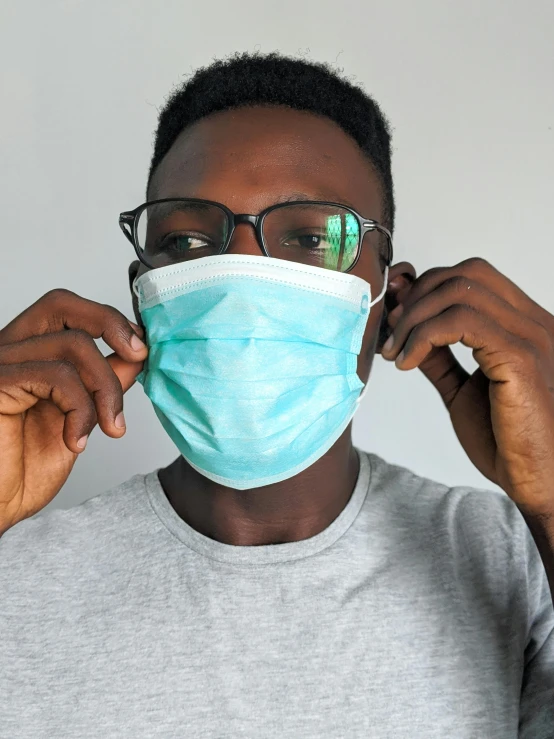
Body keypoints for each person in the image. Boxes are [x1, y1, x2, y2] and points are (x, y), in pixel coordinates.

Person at [1, 51, 553, 738]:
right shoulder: (16, 572)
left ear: (389, 294)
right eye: (187, 238)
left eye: (312, 237)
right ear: (142, 290)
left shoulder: (515, 557)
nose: (240, 282)